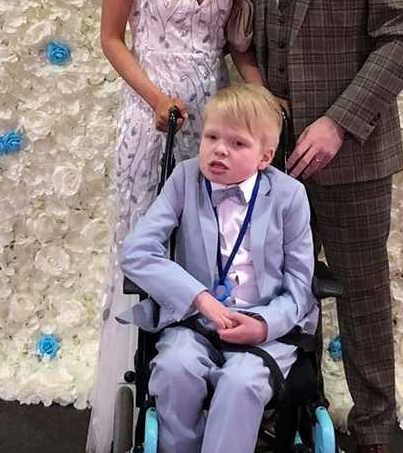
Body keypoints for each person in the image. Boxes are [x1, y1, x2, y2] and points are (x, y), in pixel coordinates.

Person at [245, 0, 403, 452]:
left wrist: (337, 124)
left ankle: (376, 424)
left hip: (353, 158)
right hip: (270, 163)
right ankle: (294, 408)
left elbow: (401, 42)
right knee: (279, 291)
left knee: (362, 294)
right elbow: (254, 38)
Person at [86, 0, 263, 453]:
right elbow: (111, 37)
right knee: (147, 251)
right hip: (150, 116)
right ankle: (134, 392)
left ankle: (194, 389)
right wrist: (156, 98)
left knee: (205, 249)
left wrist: (259, 94)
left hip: (210, 124)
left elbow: (235, 41)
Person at [118, 84, 318, 453]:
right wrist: (200, 298)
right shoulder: (185, 179)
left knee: (241, 382)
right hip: (194, 320)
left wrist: (262, 325)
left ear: (264, 157)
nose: (220, 149)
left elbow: (300, 286)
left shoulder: (289, 195)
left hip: (265, 326)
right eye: (212, 136)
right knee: (175, 368)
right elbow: (136, 251)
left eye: (238, 143)